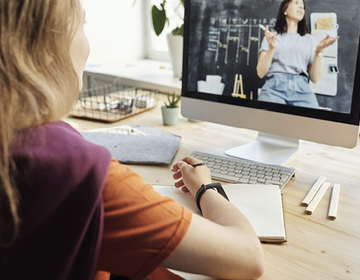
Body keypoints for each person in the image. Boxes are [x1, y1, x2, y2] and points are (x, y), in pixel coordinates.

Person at [0, 1, 264, 279]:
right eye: (82, 25)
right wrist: (205, 188)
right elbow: (248, 257)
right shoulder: (77, 172)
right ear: (48, 44)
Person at [256, 0, 339, 108]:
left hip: (302, 89)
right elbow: (260, 73)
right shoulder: (271, 37)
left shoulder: (310, 40)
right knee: (267, 122)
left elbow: (315, 78)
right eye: (296, 3)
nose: (301, 7)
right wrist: (272, 47)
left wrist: (319, 51)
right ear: (285, 10)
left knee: (312, 122)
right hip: (274, 87)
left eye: (302, 6)